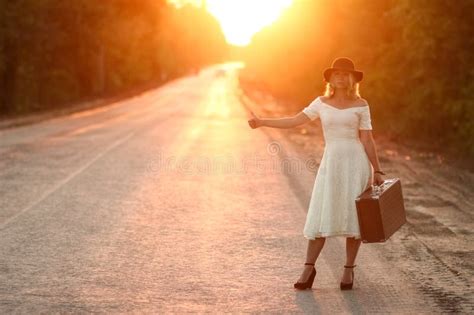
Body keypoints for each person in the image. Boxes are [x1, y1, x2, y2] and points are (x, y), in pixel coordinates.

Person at [247, 57, 385, 291]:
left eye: (345, 73)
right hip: (331, 163)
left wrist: (378, 169)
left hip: (356, 163)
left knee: (354, 218)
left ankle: (348, 271)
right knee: (322, 215)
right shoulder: (321, 103)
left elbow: (367, 139)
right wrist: (262, 122)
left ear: (352, 78)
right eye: (336, 73)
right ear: (330, 78)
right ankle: (308, 268)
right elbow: (294, 120)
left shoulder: (361, 104)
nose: (341, 77)